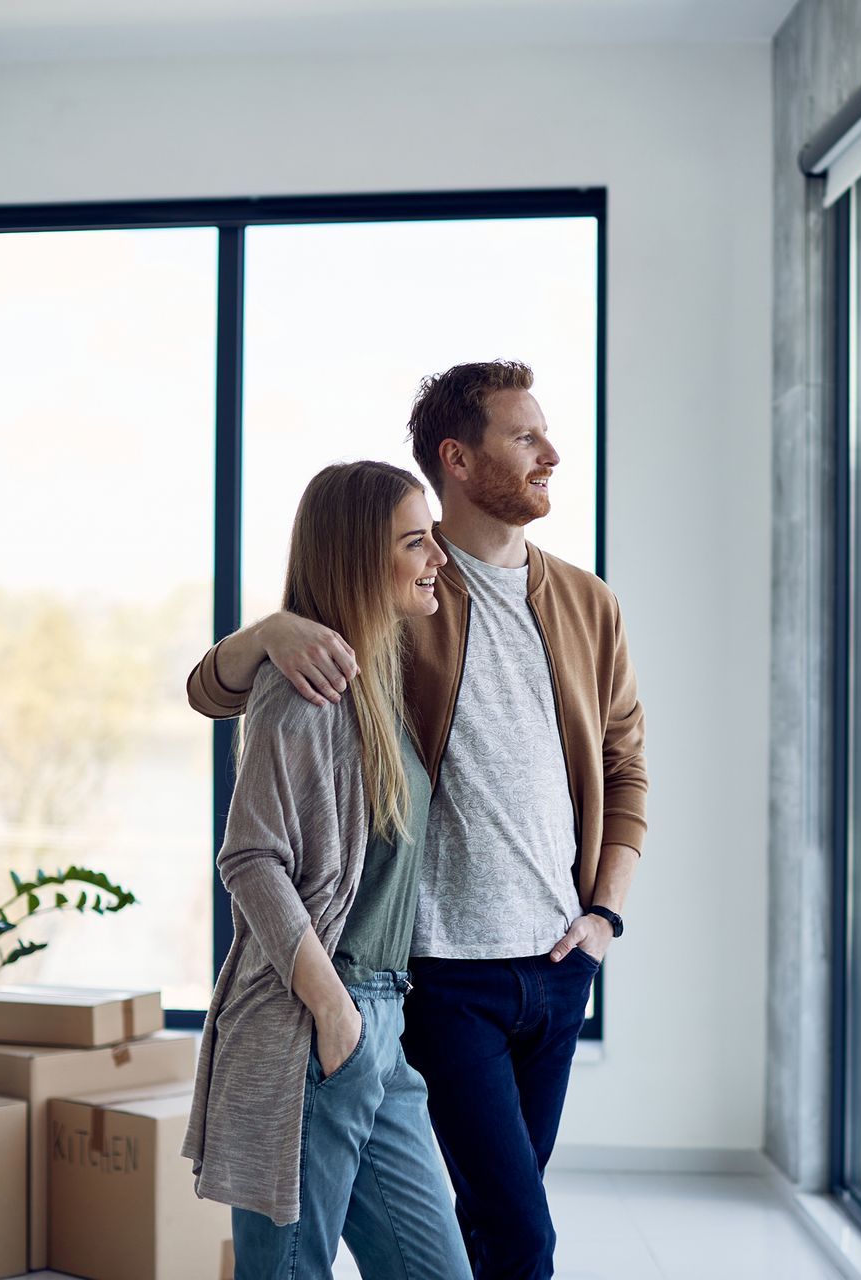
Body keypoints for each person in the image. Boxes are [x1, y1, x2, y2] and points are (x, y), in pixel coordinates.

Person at [186, 360, 648, 1280]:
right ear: (460, 459)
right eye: (525, 437)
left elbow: (625, 767)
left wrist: (603, 918)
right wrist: (267, 632)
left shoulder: (588, 605)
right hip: (423, 978)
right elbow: (221, 702)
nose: (551, 453)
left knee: (491, 1224)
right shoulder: (403, 606)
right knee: (514, 1234)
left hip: (551, 968)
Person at [181, 460, 469, 1280]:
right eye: (416, 542)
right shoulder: (302, 689)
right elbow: (250, 858)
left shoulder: (376, 673)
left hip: (381, 1023)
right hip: (317, 1021)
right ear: (357, 559)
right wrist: (335, 1014)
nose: (436, 559)